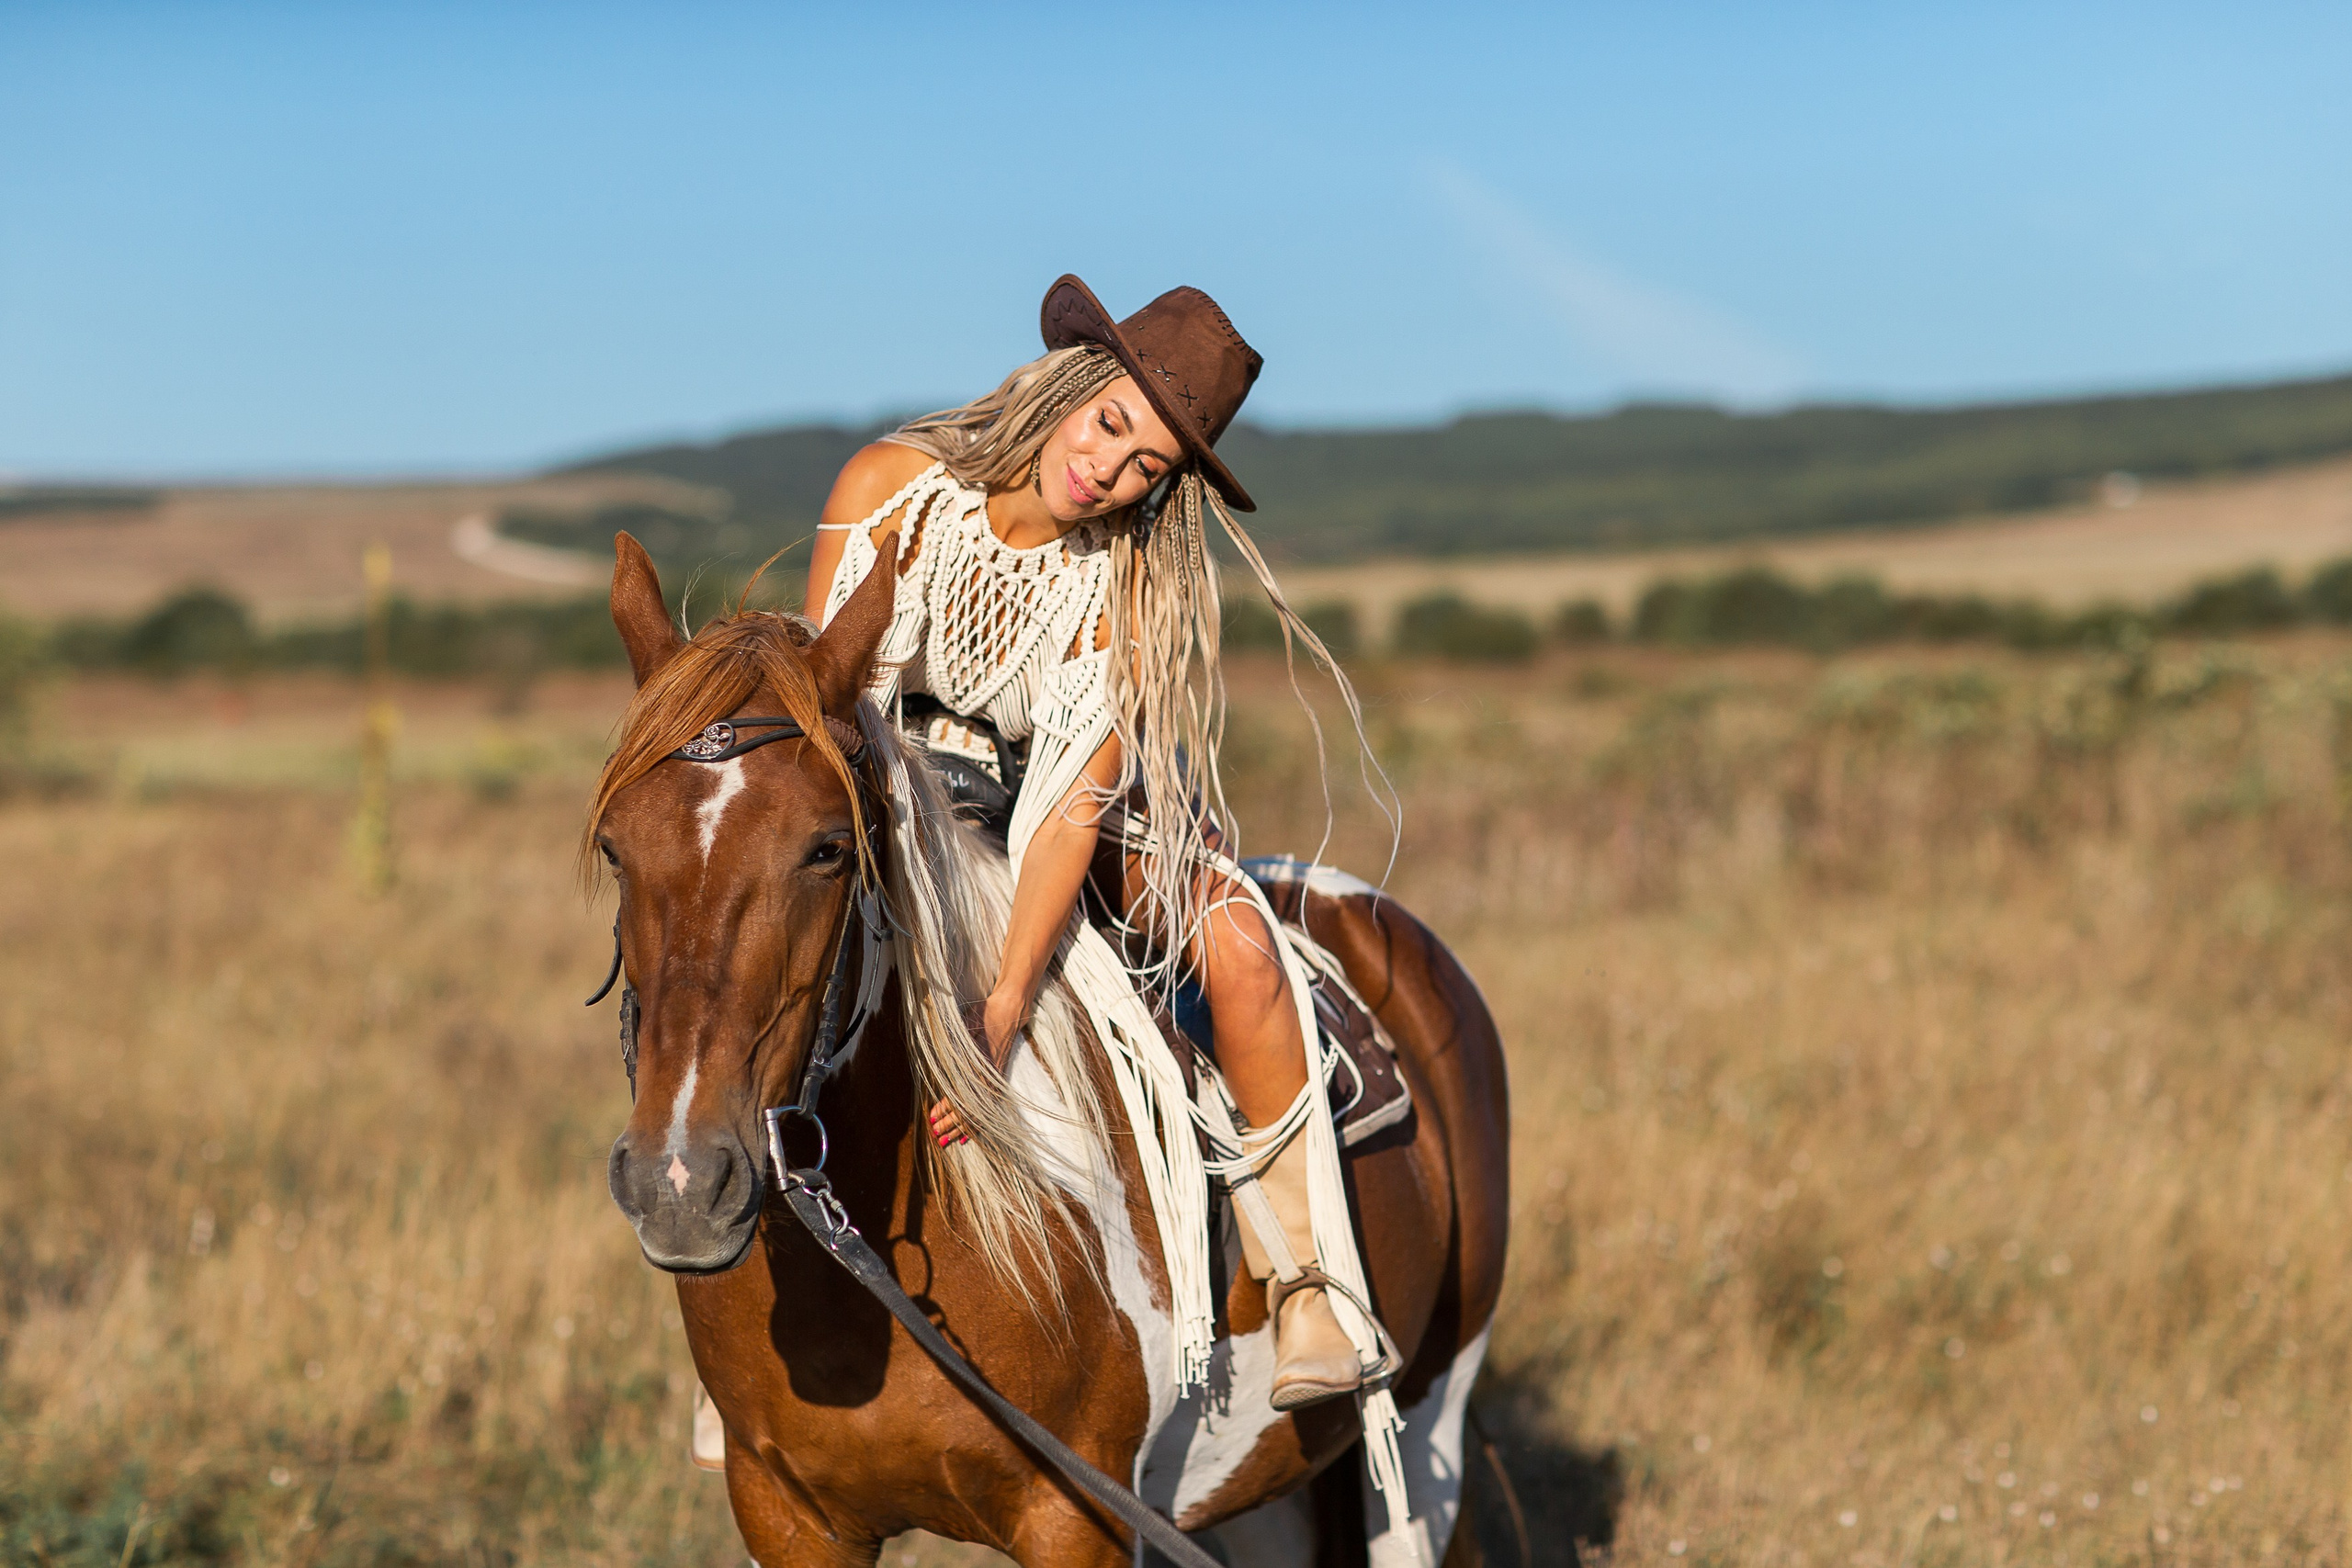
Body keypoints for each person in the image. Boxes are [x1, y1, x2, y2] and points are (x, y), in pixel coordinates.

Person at [805, 276, 1366, 1411]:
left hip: (1052, 806)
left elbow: (1066, 807)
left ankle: (1307, 1279)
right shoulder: (888, 486)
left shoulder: (1119, 590)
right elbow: (827, 709)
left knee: (1237, 943)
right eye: (1108, 424)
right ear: (1069, 386)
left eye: (1146, 464)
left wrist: (1007, 998)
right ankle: (756, 1279)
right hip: (884, 785)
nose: (1107, 469)